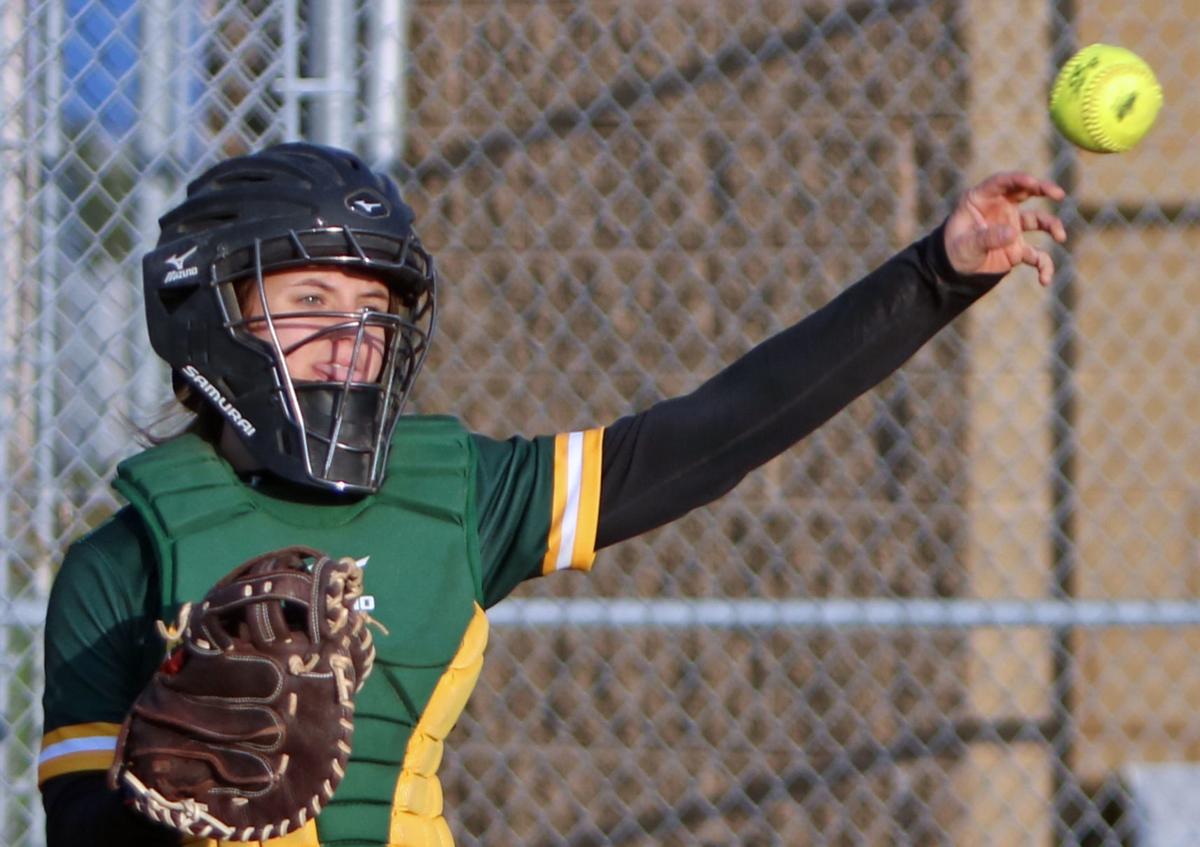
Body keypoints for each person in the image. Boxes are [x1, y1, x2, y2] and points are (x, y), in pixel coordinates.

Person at [38, 142, 1066, 847]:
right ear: (208, 310)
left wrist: (934, 276)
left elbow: (715, 434)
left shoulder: (459, 496)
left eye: (374, 308)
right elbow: (78, 829)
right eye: (309, 298)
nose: (351, 338)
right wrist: (164, 781)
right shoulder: (121, 565)